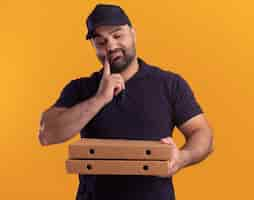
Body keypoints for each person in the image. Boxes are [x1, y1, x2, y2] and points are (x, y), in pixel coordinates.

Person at [38, 3, 214, 200]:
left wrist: (183, 157)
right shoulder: (81, 88)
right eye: (101, 41)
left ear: (133, 33)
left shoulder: (169, 84)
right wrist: (99, 99)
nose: (111, 46)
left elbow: (202, 133)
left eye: (117, 35)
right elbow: (47, 134)